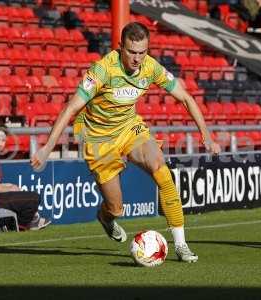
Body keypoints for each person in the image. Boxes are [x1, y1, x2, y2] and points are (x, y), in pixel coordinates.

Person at [31, 22, 221, 263]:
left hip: (130, 129)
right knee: (116, 207)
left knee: (162, 171)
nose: (137, 58)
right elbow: (71, 108)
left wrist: (206, 135)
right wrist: (48, 148)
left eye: (142, 52)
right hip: (99, 140)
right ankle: (106, 218)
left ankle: (181, 244)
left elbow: (185, 97)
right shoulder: (102, 70)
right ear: (120, 47)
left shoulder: (150, 67)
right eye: (132, 52)